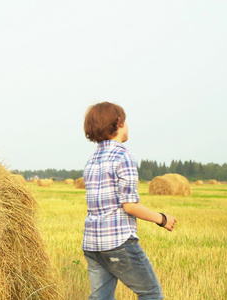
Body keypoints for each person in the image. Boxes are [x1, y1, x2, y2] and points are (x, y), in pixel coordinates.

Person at [82, 101, 177, 300]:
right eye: (125, 121)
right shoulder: (123, 156)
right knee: (151, 293)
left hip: (92, 244)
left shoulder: (91, 161)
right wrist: (162, 219)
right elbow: (130, 205)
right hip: (118, 241)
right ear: (118, 123)